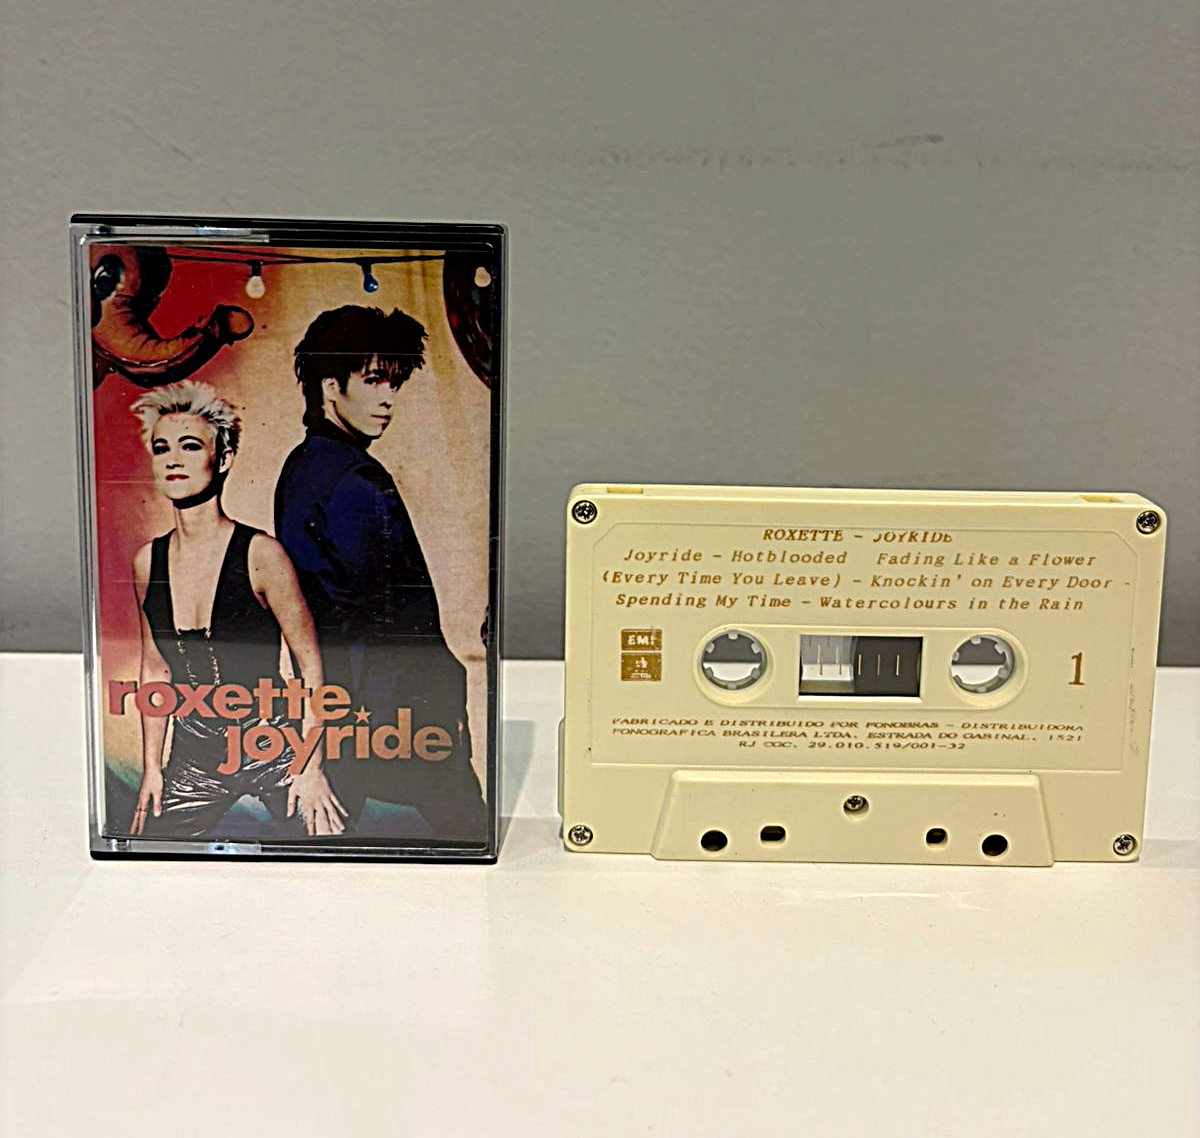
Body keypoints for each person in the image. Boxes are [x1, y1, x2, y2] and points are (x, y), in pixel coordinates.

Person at [274, 305, 486, 840]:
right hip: (394, 707)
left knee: (329, 842)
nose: (388, 398)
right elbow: (386, 612)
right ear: (330, 387)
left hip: (337, 700)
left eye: (394, 383)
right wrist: (443, 689)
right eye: (372, 380)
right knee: (466, 833)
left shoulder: (300, 466)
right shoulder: (357, 480)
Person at [128, 380, 345, 839]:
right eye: (162, 448)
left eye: (190, 446)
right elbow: (155, 670)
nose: (173, 459)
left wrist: (311, 767)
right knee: (152, 851)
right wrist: (152, 769)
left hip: (272, 743)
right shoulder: (147, 562)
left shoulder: (261, 554)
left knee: (325, 841)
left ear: (223, 458)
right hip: (194, 757)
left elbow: (310, 665)